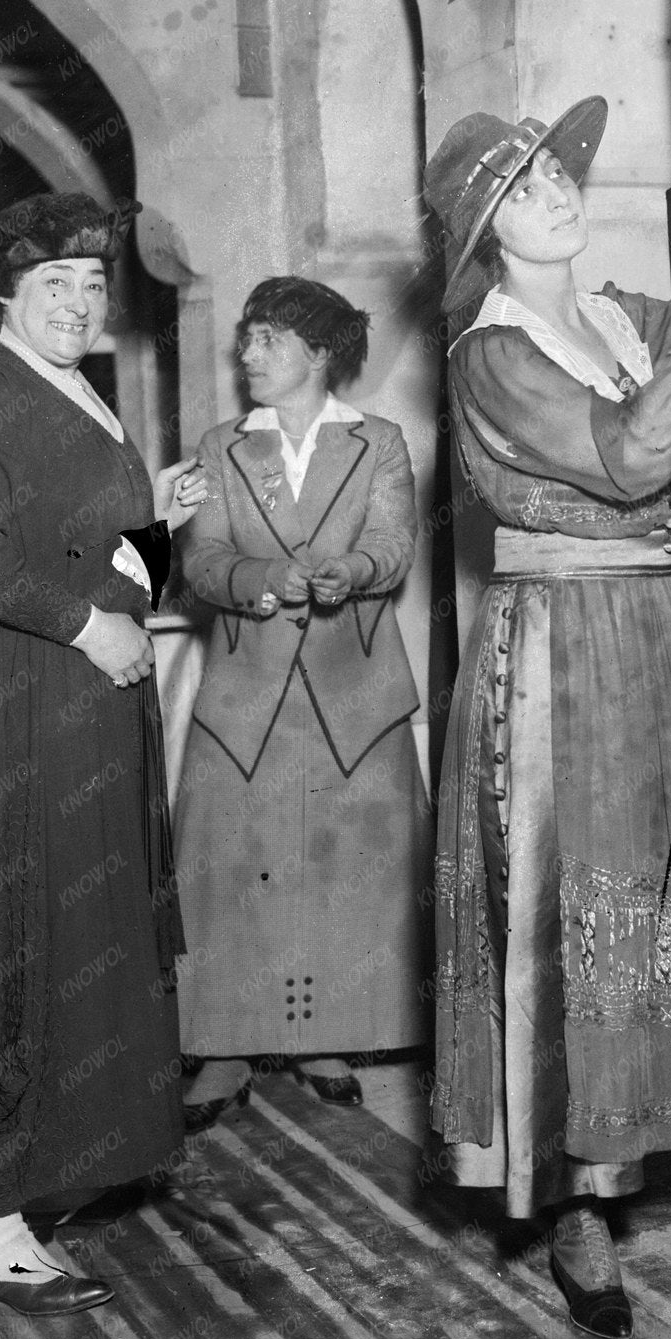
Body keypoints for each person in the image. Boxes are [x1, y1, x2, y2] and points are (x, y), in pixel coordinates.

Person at [424, 96, 671, 1339]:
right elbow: (636, 460)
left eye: (556, 174)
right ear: (486, 234)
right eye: (521, 190)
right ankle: (579, 1203)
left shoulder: (622, 316)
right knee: (578, 910)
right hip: (558, 653)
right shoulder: (491, 354)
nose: (556, 195)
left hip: (662, 628)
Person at [0, 192, 206, 1315]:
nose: (76, 301)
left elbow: (92, 541)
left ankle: (34, 1183)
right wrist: (88, 624)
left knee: (81, 934)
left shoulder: (76, 392)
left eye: (92, 283)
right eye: (52, 283)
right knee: (21, 940)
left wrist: (151, 519)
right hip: (31, 703)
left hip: (94, 707)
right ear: (9, 296)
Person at [172, 277, 430, 1130]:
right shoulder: (219, 448)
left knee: (338, 872)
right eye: (246, 338)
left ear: (320, 355)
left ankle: (324, 1036)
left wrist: (351, 573)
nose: (248, 353)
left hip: (354, 691)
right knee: (237, 870)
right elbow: (202, 562)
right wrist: (258, 581)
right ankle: (225, 1046)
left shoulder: (380, 443)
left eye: (269, 339)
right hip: (245, 695)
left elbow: (393, 542)